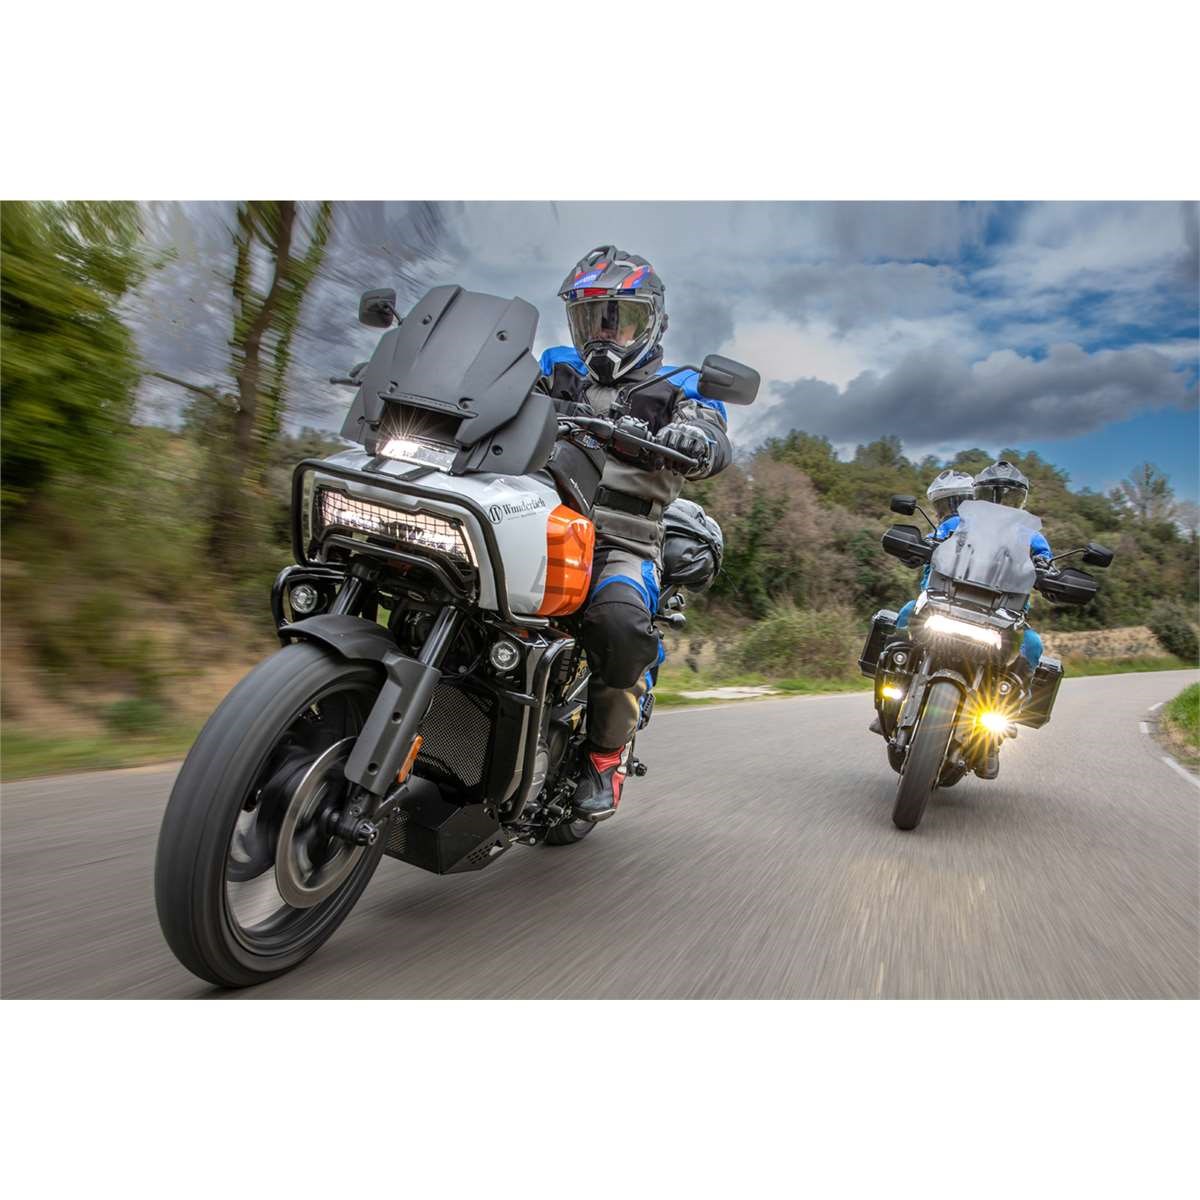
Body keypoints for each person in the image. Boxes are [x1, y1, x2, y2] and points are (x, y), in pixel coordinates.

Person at [537, 245, 733, 820]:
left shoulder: (680, 384)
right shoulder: (553, 366)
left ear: (653, 322)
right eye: (590, 318)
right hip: (535, 517)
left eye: (618, 318)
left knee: (619, 623)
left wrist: (697, 437)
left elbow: (712, 427)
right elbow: (494, 387)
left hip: (622, 539)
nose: (603, 334)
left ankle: (604, 757)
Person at [894, 461, 1051, 695]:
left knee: (1033, 643)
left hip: (1005, 613)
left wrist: (1047, 570)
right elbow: (934, 538)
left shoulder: (1031, 536)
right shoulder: (959, 523)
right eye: (990, 493)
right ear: (978, 495)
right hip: (949, 599)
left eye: (1009, 497)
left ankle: (1013, 700)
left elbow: (1045, 560)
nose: (999, 502)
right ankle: (896, 672)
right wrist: (920, 546)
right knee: (909, 611)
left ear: (1020, 500)